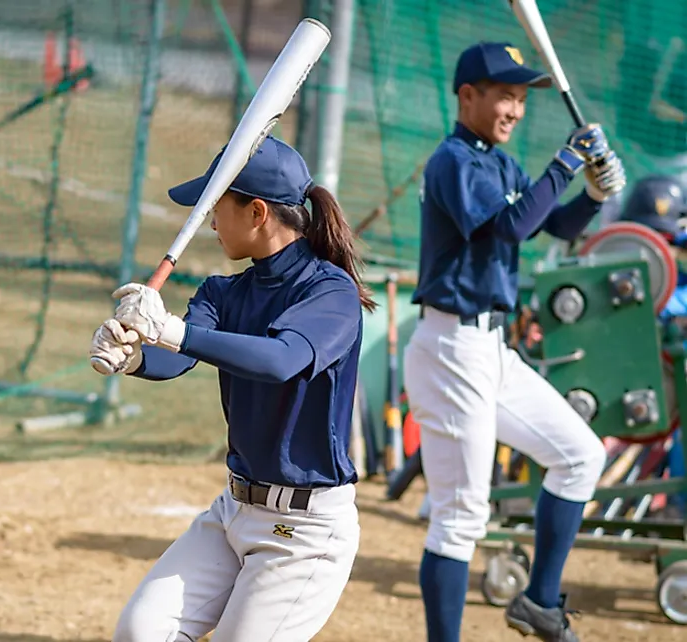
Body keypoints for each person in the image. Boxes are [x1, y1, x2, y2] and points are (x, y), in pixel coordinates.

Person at [87, 135, 375, 641]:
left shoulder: (330, 292)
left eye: (216, 206)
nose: (211, 221)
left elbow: (281, 360)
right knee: (141, 631)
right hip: (233, 512)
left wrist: (172, 330)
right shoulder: (225, 291)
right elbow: (176, 360)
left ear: (258, 212)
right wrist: (133, 357)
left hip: (304, 534)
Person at [403, 41, 627, 642]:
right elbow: (508, 225)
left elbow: (550, 223)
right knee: (459, 520)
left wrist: (594, 196)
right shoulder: (452, 160)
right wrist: (566, 163)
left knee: (581, 456)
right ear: (467, 96)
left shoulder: (498, 162)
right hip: (450, 349)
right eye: (505, 95)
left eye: (523, 98)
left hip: (489, 351)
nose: (515, 109)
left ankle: (540, 602)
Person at [615, 174, 687, 521]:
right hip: (619, 386)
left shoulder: (679, 274)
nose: (659, 248)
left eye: (665, 240)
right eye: (651, 238)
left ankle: (677, 506)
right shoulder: (613, 266)